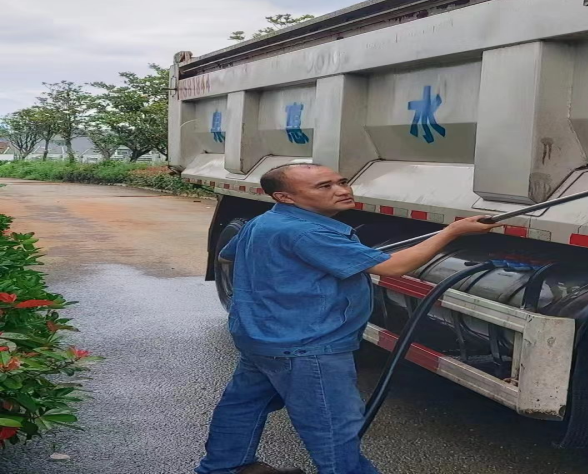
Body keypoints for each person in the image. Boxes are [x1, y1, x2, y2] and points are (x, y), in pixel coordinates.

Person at [196, 163, 501, 474]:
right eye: (323, 186)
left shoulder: (265, 222)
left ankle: (223, 467)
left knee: (244, 405)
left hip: (262, 337)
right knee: (332, 425)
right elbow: (393, 267)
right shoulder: (307, 232)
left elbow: (226, 254)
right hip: (306, 345)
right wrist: (452, 231)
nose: (342, 190)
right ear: (284, 197)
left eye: (341, 182)